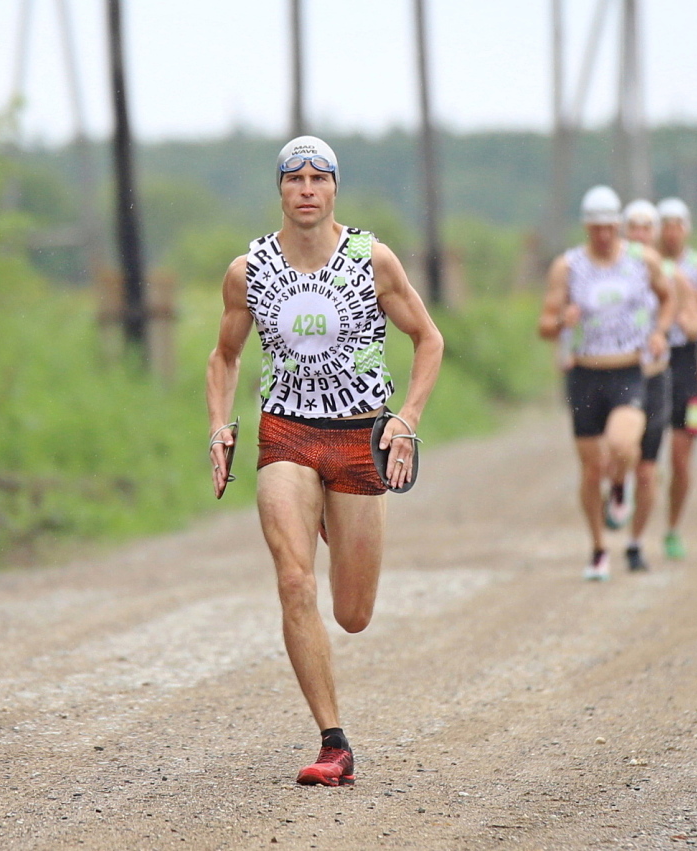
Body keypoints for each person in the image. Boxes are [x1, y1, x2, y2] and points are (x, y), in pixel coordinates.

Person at [205, 136, 444, 787]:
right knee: (292, 580)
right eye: (294, 178)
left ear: (334, 187)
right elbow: (223, 355)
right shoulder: (249, 269)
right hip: (285, 435)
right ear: (279, 190)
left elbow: (428, 338)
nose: (306, 188)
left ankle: (331, 516)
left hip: (358, 436)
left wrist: (408, 418)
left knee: (353, 613)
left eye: (319, 177)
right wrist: (219, 424)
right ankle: (333, 740)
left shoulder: (371, 259)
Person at [539, 186, 673, 580]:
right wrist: (563, 321)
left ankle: (620, 487)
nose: (602, 235)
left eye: (609, 228)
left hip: (629, 369)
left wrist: (660, 331)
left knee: (622, 444)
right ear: (586, 226)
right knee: (590, 469)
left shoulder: (642, 260)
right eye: (595, 228)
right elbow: (544, 324)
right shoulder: (568, 266)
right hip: (584, 374)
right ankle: (598, 548)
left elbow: (668, 299)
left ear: (619, 225)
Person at [614, 199, 697, 571]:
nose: (640, 235)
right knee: (625, 451)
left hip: (681, 369)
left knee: (681, 457)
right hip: (628, 368)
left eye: (646, 228)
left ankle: (671, 529)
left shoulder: (678, 273)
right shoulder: (613, 271)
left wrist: (674, 317)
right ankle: (624, 494)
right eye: (632, 227)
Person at [654, 197, 697, 561]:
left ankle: (673, 528)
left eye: (678, 224)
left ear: (687, 228)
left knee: (683, 456)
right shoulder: (646, 263)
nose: (672, 231)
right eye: (666, 224)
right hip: (654, 360)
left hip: (694, 364)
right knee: (645, 447)